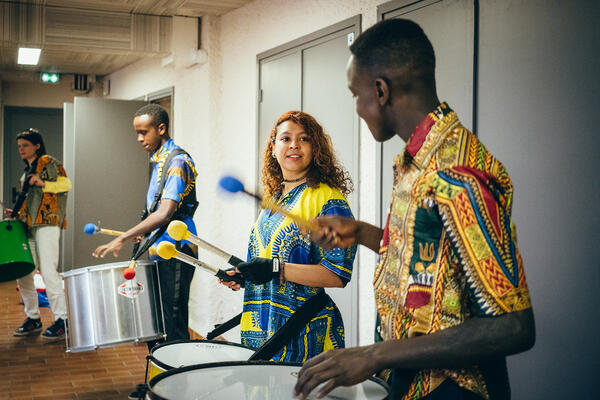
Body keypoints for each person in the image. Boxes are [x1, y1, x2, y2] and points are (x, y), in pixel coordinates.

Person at [294, 19, 535, 400]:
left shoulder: (457, 174)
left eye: (356, 95)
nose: (357, 107)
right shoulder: (413, 161)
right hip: (408, 380)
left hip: (454, 391)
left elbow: (514, 326)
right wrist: (358, 232)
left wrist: (372, 355)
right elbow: (430, 253)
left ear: (381, 90)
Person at [220, 110, 357, 363]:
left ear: (316, 148)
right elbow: (271, 263)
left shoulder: (330, 201)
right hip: (262, 333)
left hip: (304, 333)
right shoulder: (274, 200)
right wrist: (249, 275)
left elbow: (337, 275)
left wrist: (275, 269)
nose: (294, 144)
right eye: (285, 139)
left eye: (304, 139)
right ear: (273, 148)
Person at [91, 104, 198, 399]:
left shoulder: (177, 161)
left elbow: (165, 213)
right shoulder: (159, 159)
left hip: (175, 252)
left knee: (173, 326)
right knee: (156, 325)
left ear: (161, 128)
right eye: (136, 132)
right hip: (157, 251)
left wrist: (123, 238)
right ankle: (159, 383)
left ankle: (177, 390)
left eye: (143, 131)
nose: (139, 138)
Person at [3, 128, 71, 341]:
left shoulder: (49, 162)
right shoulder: (26, 172)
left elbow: (66, 184)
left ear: (37, 145)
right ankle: (33, 317)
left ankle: (63, 319)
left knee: (48, 271)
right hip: (28, 225)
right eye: (19, 146)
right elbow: (32, 202)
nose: (21, 149)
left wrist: (43, 182)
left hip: (47, 223)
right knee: (23, 272)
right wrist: (15, 213)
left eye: (25, 145)